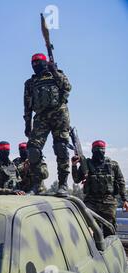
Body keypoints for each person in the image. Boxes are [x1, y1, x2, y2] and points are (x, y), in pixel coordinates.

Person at [24, 53, 72, 195]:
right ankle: (37, 184)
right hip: (41, 118)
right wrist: (27, 124)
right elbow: (27, 105)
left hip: (59, 115)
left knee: (61, 148)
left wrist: (55, 71)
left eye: (38, 62)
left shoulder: (56, 74)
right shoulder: (30, 82)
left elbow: (68, 87)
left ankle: (63, 184)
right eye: (33, 63)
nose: (35, 65)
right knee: (33, 149)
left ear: (45, 62)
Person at [72, 140, 128, 237]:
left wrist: (125, 200)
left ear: (104, 151)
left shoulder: (113, 165)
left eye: (101, 150)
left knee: (110, 232)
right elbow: (77, 179)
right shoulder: (87, 164)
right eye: (97, 150)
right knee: (90, 231)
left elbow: (121, 181)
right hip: (91, 202)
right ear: (92, 150)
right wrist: (74, 165)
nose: (99, 152)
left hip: (109, 203)